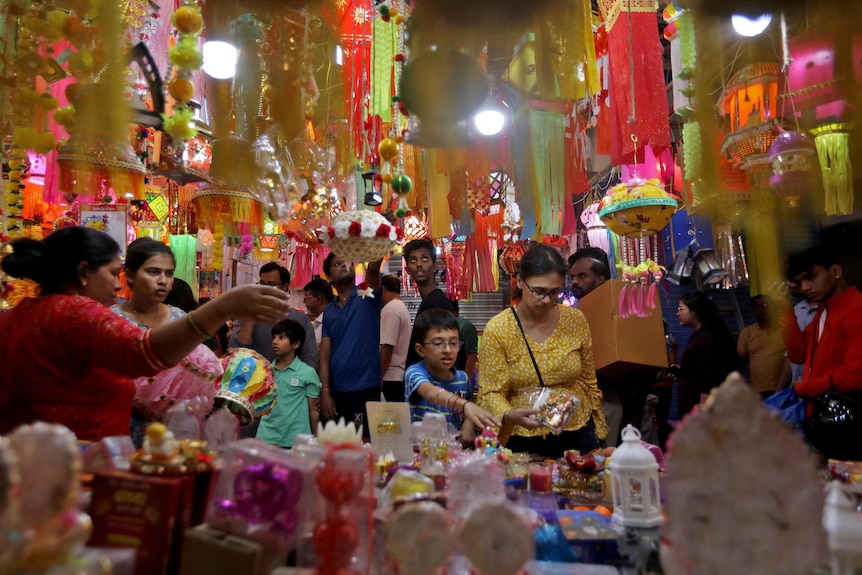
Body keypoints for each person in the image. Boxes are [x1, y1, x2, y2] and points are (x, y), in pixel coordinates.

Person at [0, 226, 289, 441]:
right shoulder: (73, 312)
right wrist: (220, 309)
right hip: (76, 465)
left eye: (169, 273)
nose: (117, 285)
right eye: (113, 273)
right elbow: (143, 353)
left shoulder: (14, 317)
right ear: (84, 271)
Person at [478, 244, 608, 458]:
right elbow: (491, 392)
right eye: (538, 291)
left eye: (555, 292)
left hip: (576, 431)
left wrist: (600, 430)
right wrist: (509, 414)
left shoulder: (575, 321)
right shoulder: (499, 328)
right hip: (524, 436)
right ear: (520, 281)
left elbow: (588, 381)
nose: (547, 300)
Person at [776, 246, 862, 401]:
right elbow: (799, 354)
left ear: (835, 271)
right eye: (799, 283)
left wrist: (804, 387)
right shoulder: (825, 310)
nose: (805, 287)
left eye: (811, 277)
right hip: (822, 412)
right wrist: (785, 310)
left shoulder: (856, 309)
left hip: (845, 415)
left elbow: (854, 378)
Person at [405, 309, 499, 443]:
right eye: (438, 343)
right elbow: (430, 392)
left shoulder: (463, 379)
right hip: (421, 454)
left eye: (453, 343)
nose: (448, 350)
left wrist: (469, 423)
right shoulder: (415, 372)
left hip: (453, 453)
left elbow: (469, 406)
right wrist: (465, 405)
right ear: (421, 350)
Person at [318, 253, 383, 437]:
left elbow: (373, 268)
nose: (344, 265)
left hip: (365, 387)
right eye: (337, 264)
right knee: (338, 446)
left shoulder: (366, 292)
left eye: (347, 261)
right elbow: (324, 355)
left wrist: (382, 232)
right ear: (329, 277)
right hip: (337, 389)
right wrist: (325, 390)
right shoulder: (329, 310)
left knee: (365, 444)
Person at [228, 262, 318, 369]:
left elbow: (310, 357)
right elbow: (235, 352)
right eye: (262, 284)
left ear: (284, 287)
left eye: (271, 285)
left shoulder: (300, 319)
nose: (265, 289)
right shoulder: (247, 316)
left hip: (289, 384)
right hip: (253, 381)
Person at [257, 319, 321, 448]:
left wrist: (317, 440)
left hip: (296, 440)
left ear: (296, 344)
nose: (275, 342)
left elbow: (313, 410)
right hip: (266, 437)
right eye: (274, 337)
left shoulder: (307, 373)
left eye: (282, 337)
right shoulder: (266, 371)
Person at [675, 291, 741, 414]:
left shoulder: (706, 339)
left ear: (694, 311)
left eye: (681, 309)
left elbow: (708, 378)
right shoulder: (697, 336)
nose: (677, 313)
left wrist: (703, 408)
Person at [111, 238, 186, 328]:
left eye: (169, 274)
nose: (163, 281)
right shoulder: (111, 319)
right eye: (153, 272)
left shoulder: (180, 319)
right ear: (130, 275)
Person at [403, 239, 453, 368]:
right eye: (413, 260)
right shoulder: (429, 301)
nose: (419, 264)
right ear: (407, 269)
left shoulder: (436, 302)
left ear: (435, 266)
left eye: (424, 259)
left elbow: (440, 354)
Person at [736, 294, 789, 398]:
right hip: (757, 392)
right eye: (757, 307)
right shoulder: (747, 333)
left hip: (783, 390)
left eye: (765, 305)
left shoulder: (785, 330)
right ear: (753, 311)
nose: (761, 309)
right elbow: (740, 362)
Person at [380, 274, 412, 402]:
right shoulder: (400, 307)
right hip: (397, 376)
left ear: (383, 289)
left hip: (390, 377)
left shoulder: (391, 309)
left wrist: (379, 377)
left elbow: (387, 346)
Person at [450, 300, 478, 384]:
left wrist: (465, 384)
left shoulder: (465, 327)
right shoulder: (446, 326)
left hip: (460, 382)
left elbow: (471, 358)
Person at [303, 278, 334, 347]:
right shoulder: (317, 321)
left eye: (306, 297)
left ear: (318, 299)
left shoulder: (331, 321)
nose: (304, 301)